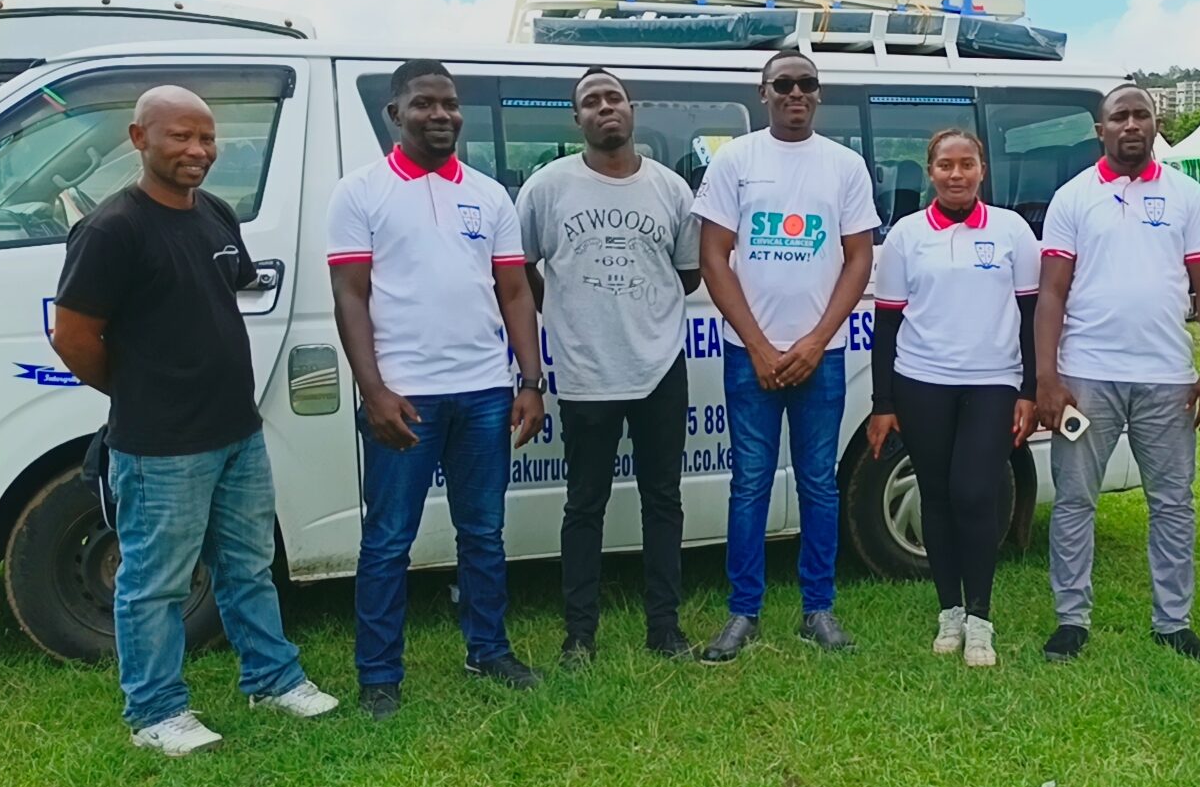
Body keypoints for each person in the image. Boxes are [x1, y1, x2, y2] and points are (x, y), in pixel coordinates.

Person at [51, 85, 338, 756]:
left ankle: (272, 679)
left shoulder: (213, 213)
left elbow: (217, 297)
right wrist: (138, 390)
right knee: (155, 582)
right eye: (180, 136)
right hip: (161, 444)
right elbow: (73, 336)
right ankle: (156, 713)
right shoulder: (112, 229)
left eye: (206, 137)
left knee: (249, 566)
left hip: (236, 430)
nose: (198, 150)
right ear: (139, 139)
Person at [326, 59, 546, 718]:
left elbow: (515, 292)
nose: (441, 114)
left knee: (483, 531)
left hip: (483, 391)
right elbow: (350, 295)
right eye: (424, 103)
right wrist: (373, 390)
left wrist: (530, 380)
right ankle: (378, 675)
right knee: (388, 539)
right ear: (395, 113)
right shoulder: (359, 192)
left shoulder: (489, 194)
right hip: (405, 397)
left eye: (449, 103)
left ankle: (488, 649)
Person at [691, 51, 879, 663]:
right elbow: (714, 256)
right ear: (763, 92)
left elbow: (858, 258)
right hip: (750, 357)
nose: (796, 93)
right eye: (784, 84)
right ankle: (743, 611)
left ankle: (817, 608)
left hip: (821, 357)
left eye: (807, 84)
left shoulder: (844, 165)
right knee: (749, 484)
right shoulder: (735, 160)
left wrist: (816, 340)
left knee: (819, 484)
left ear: (818, 94)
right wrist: (757, 344)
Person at [1034, 84, 1200, 664]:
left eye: (1140, 114)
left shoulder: (1186, 195)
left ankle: (1173, 622)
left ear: (1155, 123)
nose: (1130, 125)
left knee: (1172, 503)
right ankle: (1071, 619)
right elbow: (1052, 292)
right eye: (1118, 116)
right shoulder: (1072, 197)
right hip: (1086, 373)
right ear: (1100, 130)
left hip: (1167, 375)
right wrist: (1047, 377)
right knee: (1075, 501)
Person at [517, 68, 699, 666]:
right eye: (591, 102)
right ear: (578, 120)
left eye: (613, 97)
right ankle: (579, 636)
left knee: (663, 501)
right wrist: (562, 309)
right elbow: (518, 267)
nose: (604, 108)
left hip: (659, 367)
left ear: (631, 108)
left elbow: (688, 273)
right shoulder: (547, 188)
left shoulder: (670, 189)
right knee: (584, 505)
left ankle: (665, 629)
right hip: (585, 369)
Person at [866, 129, 1040, 668]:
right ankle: (950, 611)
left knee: (974, 492)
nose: (957, 174)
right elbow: (886, 323)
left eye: (967, 164)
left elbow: (1031, 316)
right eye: (946, 165)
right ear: (931, 172)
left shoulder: (1011, 230)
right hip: (921, 381)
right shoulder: (907, 235)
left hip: (993, 381)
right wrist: (882, 402)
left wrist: (1030, 390)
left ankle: (981, 619)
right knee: (937, 496)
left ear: (982, 170)